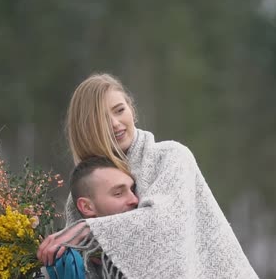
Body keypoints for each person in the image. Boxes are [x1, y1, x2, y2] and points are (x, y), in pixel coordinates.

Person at [38, 73, 258, 279]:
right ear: (86, 128)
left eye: (119, 110)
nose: (115, 123)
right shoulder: (81, 192)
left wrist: (89, 229)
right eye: (102, 118)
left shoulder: (172, 156)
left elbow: (165, 224)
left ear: (131, 110)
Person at [45, 156, 138, 279]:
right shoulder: (61, 268)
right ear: (87, 207)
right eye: (118, 193)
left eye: (132, 189)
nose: (135, 200)